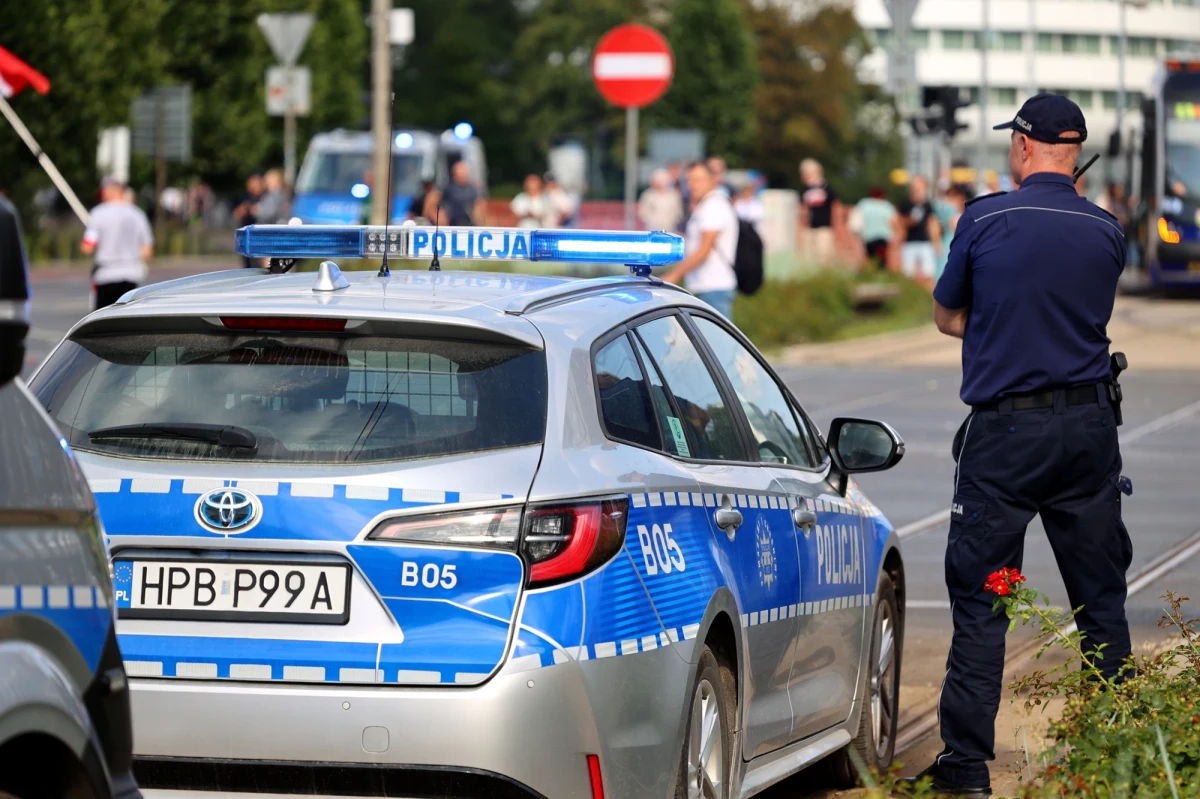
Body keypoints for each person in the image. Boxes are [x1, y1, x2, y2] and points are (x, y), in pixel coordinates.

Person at [909, 94, 1130, 799]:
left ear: (1024, 146)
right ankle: (1119, 753)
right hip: (1088, 432)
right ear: (1077, 154)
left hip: (1005, 436)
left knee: (984, 599)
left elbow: (947, 315)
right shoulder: (1108, 230)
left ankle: (967, 768)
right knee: (1100, 598)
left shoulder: (984, 219)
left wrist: (995, 326)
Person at [661, 161, 739, 319]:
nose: (692, 185)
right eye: (688, 180)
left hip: (713, 287)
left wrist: (674, 275)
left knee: (713, 335)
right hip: (708, 286)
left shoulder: (713, 206)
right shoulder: (707, 205)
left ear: (712, 180)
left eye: (698, 179)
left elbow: (704, 249)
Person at [80, 178, 154, 310]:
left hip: (106, 275)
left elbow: (87, 247)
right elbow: (147, 251)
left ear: (106, 192)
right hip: (131, 275)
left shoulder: (98, 214)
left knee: (103, 317)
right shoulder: (137, 214)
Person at [899, 176, 942, 290]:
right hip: (909, 242)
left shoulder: (927, 205)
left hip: (925, 242)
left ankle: (930, 297)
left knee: (928, 274)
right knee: (908, 275)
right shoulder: (906, 204)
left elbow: (932, 223)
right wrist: (909, 221)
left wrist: (936, 242)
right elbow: (899, 222)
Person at [798, 158, 841, 266]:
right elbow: (803, 210)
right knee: (809, 257)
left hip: (824, 227)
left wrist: (837, 226)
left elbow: (835, 207)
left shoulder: (827, 188)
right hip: (810, 228)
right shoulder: (806, 190)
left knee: (824, 256)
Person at [852, 187, 898, 271]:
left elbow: (856, 219)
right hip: (883, 237)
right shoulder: (887, 206)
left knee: (871, 258)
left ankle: (873, 273)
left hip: (868, 237)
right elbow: (893, 222)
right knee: (882, 259)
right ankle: (881, 273)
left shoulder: (864, 204)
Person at [441, 161, 487, 227]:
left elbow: (480, 203)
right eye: (461, 173)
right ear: (455, 174)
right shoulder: (449, 187)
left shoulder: (472, 188)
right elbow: (435, 200)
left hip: (470, 224)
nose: (464, 175)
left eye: (465, 172)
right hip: (452, 224)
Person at [233, 174, 264, 268]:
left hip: (259, 233)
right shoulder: (244, 197)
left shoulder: (265, 198)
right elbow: (237, 213)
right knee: (247, 261)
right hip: (247, 233)